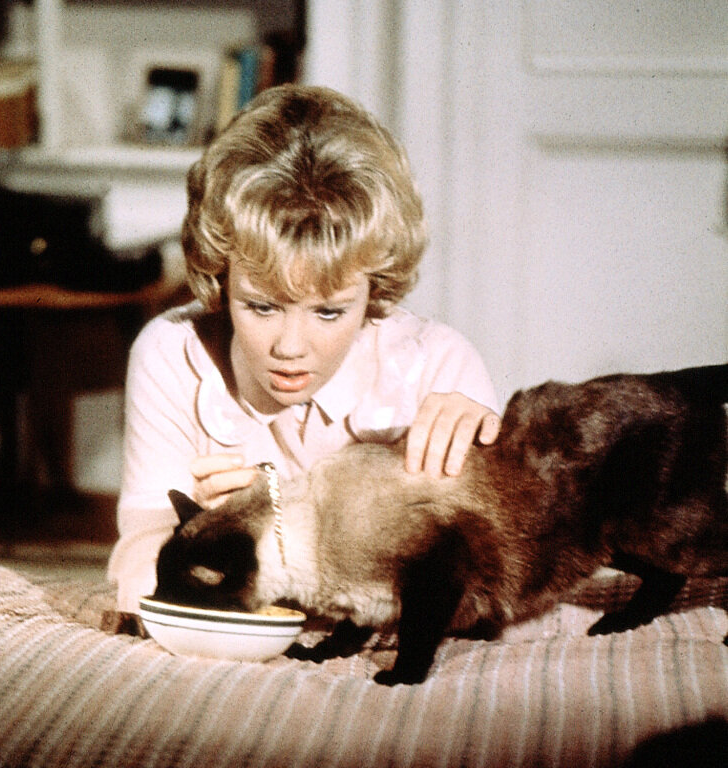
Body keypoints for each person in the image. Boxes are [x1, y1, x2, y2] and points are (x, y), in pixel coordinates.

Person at [108, 84, 501, 611]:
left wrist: (489, 460)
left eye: (329, 312)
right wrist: (194, 537)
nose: (290, 348)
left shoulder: (440, 368)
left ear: (374, 289)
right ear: (221, 278)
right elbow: (138, 561)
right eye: (261, 307)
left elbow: (478, 585)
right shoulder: (171, 354)